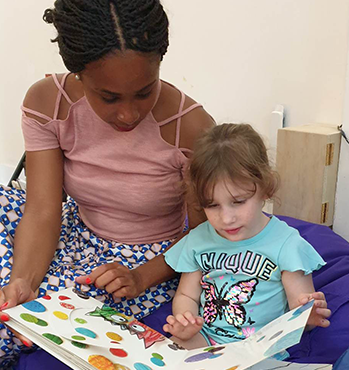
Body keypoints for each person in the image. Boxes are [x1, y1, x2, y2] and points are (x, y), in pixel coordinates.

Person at [0, 0, 214, 366]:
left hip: (147, 258)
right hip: (71, 232)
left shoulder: (190, 129)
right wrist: (24, 281)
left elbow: (202, 236)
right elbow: (42, 209)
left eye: (145, 92)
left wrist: (140, 277)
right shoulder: (48, 103)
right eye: (109, 97)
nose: (128, 114)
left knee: (41, 328)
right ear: (79, 74)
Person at [163, 123, 331, 350]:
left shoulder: (287, 245)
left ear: (265, 187)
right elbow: (187, 295)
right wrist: (185, 321)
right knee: (167, 356)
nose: (226, 218)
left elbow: (299, 311)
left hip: (260, 347)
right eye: (212, 205)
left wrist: (308, 318)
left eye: (238, 201)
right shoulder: (198, 240)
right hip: (205, 337)